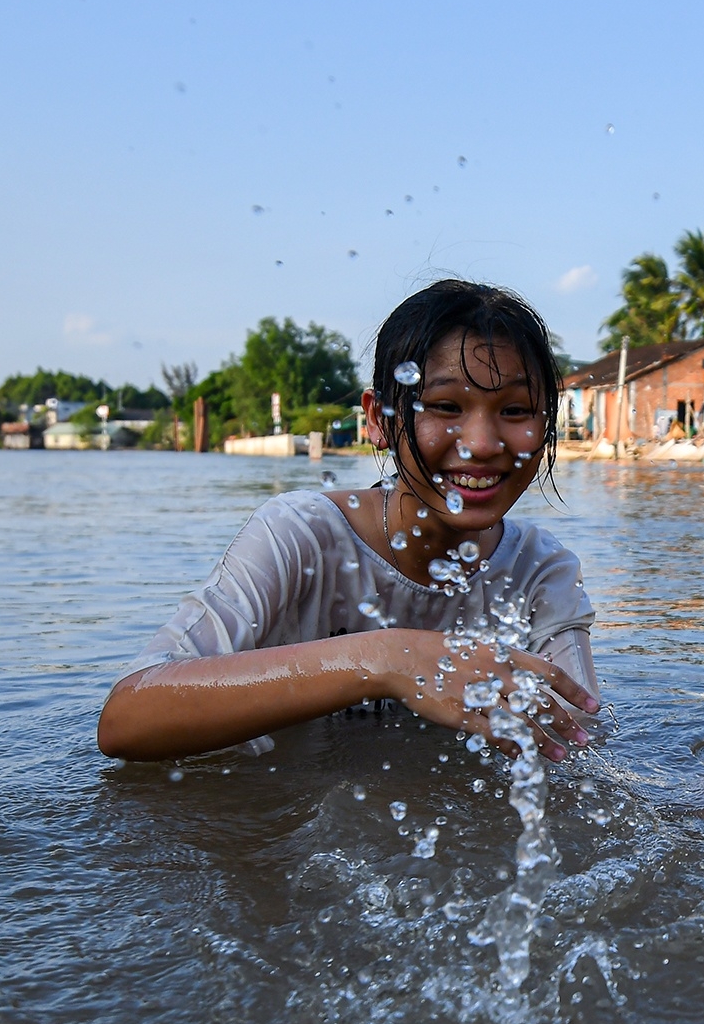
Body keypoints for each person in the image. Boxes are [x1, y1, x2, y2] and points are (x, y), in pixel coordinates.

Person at [98, 279, 600, 763]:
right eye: (446, 406)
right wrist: (385, 660)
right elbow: (126, 718)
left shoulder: (539, 572)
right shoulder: (301, 536)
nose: (484, 443)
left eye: (515, 410)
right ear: (379, 419)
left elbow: (580, 747)